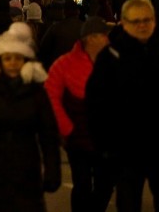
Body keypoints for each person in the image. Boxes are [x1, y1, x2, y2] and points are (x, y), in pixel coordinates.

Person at [85, 0, 159, 212]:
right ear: (124, 23)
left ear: (154, 21)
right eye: (136, 21)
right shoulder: (111, 55)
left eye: (147, 20)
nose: (142, 25)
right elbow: (96, 103)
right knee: (128, 204)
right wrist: (102, 143)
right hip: (125, 149)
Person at [0, 24, 62, 211]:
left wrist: (52, 169)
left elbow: (48, 133)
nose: (13, 63)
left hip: (26, 169)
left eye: (18, 58)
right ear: (0, 61)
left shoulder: (36, 93)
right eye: (8, 58)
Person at [44, 16, 114, 212]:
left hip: (106, 137)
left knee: (105, 184)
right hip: (77, 138)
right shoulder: (65, 64)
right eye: (104, 36)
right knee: (82, 185)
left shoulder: (114, 62)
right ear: (91, 38)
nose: (108, 39)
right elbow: (51, 96)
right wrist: (66, 128)